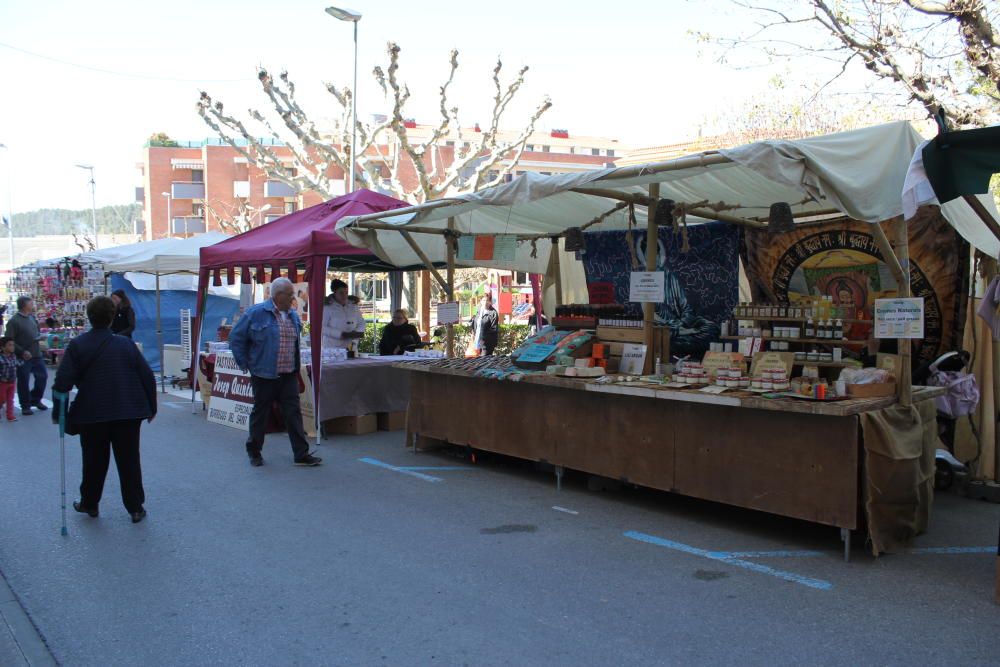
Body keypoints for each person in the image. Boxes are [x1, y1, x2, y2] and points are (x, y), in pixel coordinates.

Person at [51, 296, 157, 524]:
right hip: (128, 412)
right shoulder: (125, 344)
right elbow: (147, 375)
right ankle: (135, 507)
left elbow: (62, 383)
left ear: (89, 318)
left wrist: (58, 413)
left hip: (92, 413)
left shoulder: (78, 345)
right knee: (129, 461)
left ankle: (89, 503)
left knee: (93, 461)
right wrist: (151, 407)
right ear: (111, 318)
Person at [228, 277, 321, 468]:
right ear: (278, 296)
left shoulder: (293, 315)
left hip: (288, 374)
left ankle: (301, 454)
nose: (293, 299)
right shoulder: (256, 313)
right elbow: (236, 338)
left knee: (293, 413)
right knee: (261, 414)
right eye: (290, 295)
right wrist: (245, 364)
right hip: (264, 374)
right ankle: (254, 452)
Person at [4, 296, 48, 416]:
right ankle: (25, 405)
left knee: (42, 377)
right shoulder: (14, 321)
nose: (32, 304)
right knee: (24, 381)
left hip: (36, 354)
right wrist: (22, 351)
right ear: (24, 305)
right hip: (23, 356)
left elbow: (36, 333)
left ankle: (35, 399)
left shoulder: (32, 318)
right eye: (30, 303)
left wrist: (40, 337)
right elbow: (9, 340)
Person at [322, 279, 365, 351]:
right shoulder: (327, 307)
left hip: (351, 347)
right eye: (341, 293)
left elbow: (361, 322)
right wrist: (340, 334)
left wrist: (357, 332)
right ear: (334, 292)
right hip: (333, 348)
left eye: (346, 292)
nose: (344, 295)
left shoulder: (353, 306)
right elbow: (322, 328)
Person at [0, 336, 18, 422]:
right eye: (9, 345)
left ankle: (10, 415)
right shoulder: (0, 358)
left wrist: (24, 362)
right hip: (2, 382)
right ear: (3, 347)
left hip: (12, 381)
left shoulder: (13, 356)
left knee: (10, 399)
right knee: (2, 398)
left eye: (13, 345)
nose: (12, 347)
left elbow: (16, 364)